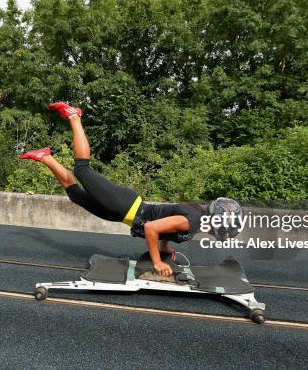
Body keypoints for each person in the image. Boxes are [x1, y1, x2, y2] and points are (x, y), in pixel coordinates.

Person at [19, 102, 206, 277]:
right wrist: (157, 261)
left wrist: (164, 247)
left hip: (122, 214)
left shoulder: (194, 219)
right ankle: (74, 116)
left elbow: (166, 226)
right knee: (82, 170)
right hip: (125, 205)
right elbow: (151, 227)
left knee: (75, 194)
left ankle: (45, 157)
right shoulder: (191, 221)